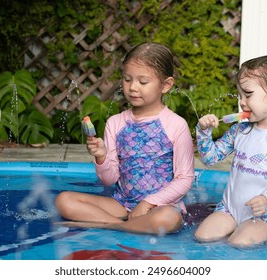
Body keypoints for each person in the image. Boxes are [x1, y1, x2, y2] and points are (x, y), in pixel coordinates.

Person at [55, 42, 195, 234]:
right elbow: (109, 179)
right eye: (127, 80)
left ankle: (110, 224)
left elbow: (185, 179)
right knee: (64, 200)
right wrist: (101, 157)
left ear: (166, 85)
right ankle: (121, 226)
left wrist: (148, 203)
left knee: (168, 219)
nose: (133, 88)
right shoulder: (115, 123)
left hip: (160, 206)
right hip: (121, 204)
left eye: (143, 82)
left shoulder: (176, 125)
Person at [194, 55, 267, 247]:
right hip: (228, 209)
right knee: (202, 237)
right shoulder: (239, 130)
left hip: (263, 215)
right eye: (240, 95)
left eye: (248, 94)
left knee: (240, 242)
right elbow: (209, 158)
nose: (242, 102)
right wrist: (204, 132)